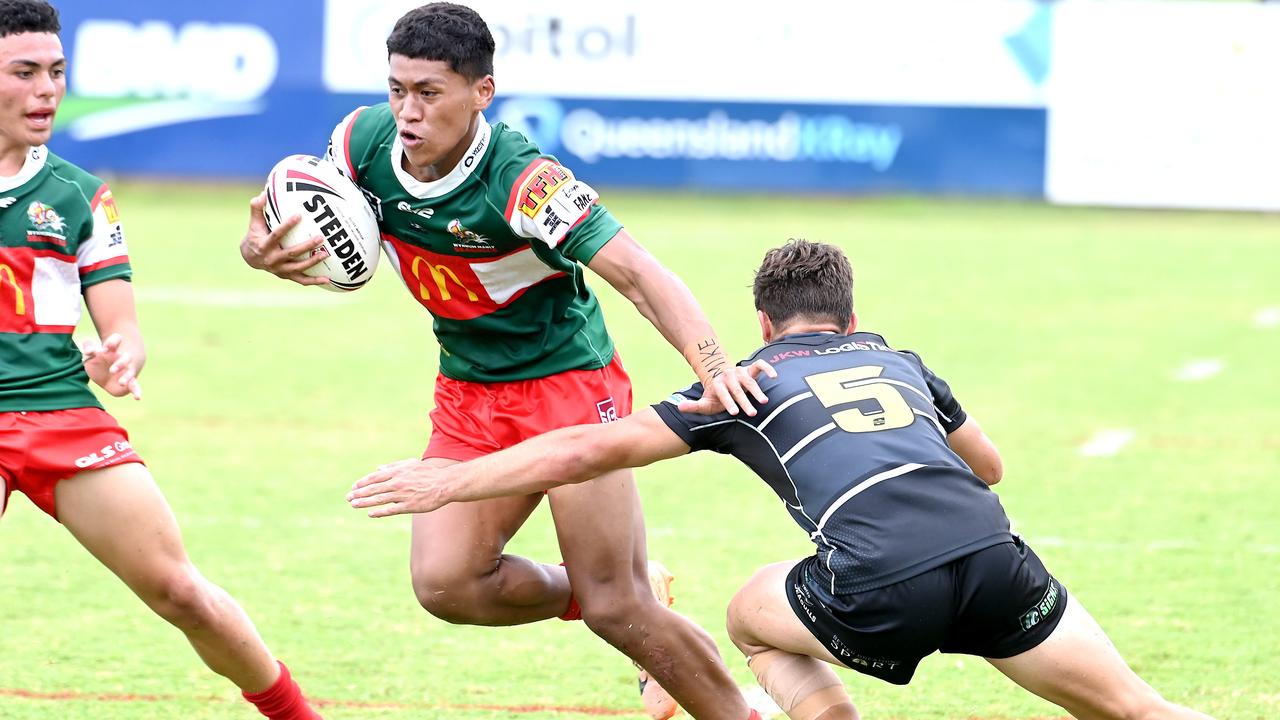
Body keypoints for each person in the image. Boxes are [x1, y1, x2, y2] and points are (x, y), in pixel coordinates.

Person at [347, 239, 1216, 720]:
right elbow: (988, 467)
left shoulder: (747, 381)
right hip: (995, 560)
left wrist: (450, 483)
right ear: (851, 317)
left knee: (747, 616)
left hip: (879, 584)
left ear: (763, 322)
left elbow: (582, 451)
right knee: (1140, 710)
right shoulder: (897, 360)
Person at [239, 3, 764, 719]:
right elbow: (301, 220)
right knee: (447, 584)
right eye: (397, 90)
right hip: (469, 391)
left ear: (480, 92)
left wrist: (715, 366)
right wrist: (262, 249)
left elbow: (640, 273)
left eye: (429, 93)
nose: (407, 112)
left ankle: (744, 711)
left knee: (618, 609)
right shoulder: (360, 144)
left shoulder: (525, 182)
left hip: (568, 390)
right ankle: (622, 588)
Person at [0, 3, 322, 718]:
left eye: (55, 72)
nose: (46, 90)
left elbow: (123, 325)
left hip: (61, 414)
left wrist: (120, 354)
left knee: (180, 591)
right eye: (24, 73)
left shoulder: (80, 195)